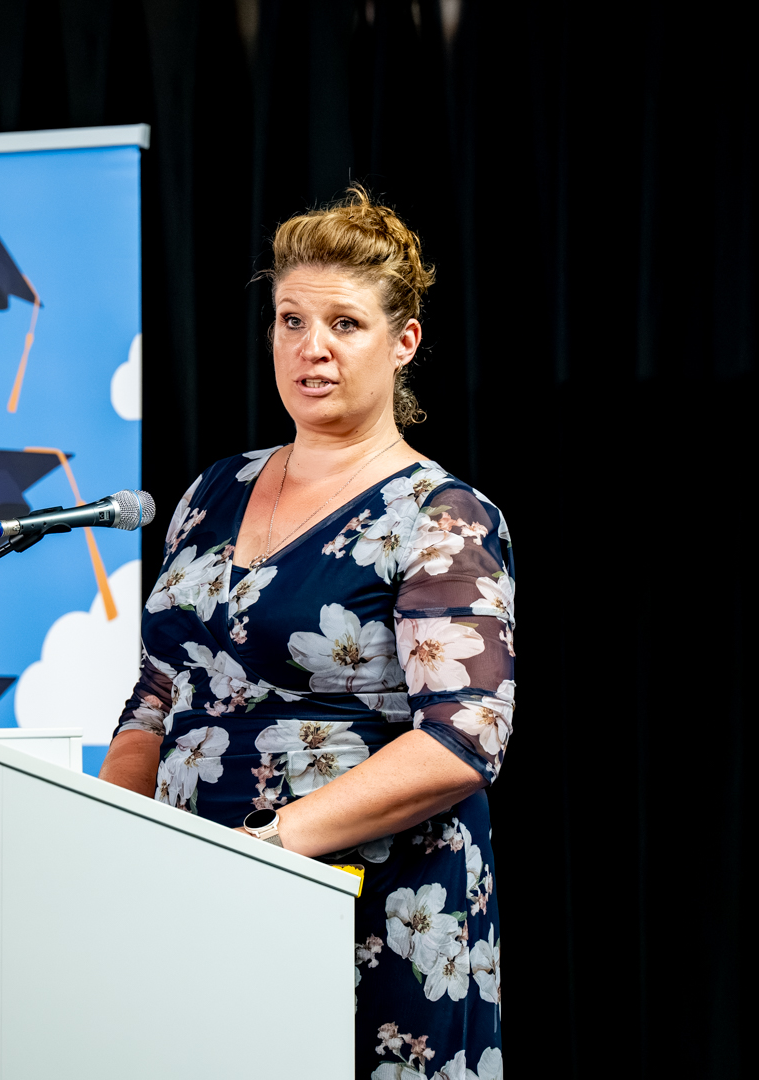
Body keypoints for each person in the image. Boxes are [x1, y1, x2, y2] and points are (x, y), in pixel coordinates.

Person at [101, 186, 514, 1079]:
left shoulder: (441, 516)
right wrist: (106, 847)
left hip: (370, 902)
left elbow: (462, 740)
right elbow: (156, 696)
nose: (310, 347)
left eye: (344, 324)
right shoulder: (212, 492)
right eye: (291, 320)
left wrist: (268, 848)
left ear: (403, 343)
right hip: (193, 889)